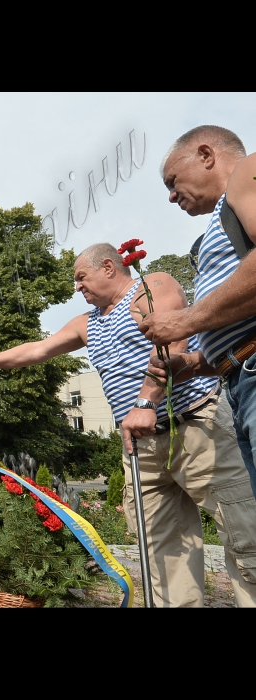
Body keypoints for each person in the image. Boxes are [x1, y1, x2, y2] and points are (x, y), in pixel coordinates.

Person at [0, 242, 256, 607]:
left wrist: (146, 402)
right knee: (162, 555)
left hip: (195, 427)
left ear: (109, 267)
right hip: (140, 445)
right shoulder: (86, 324)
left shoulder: (150, 287)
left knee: (244, 535)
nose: (76, 287)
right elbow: (35, 350)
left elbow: (171, 345)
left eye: (81, 277)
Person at [139, 126, 256, 508]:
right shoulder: (224, 215)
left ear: (206, 155)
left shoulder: (247, 172)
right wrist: (192, 363)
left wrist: (186, 320)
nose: (171, 196)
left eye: (173, 181)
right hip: (239, 379)